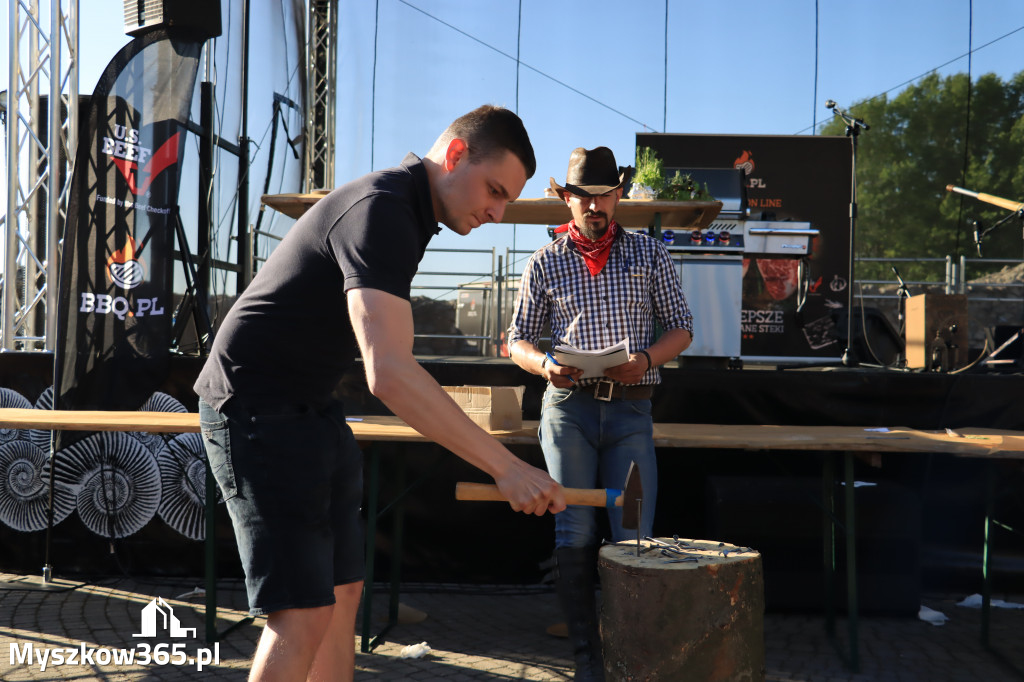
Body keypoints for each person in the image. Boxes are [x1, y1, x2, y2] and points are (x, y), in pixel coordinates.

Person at [194, 105, 566, 682]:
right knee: (302, 613)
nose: (497, 212)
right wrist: (506, 467)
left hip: (314, 411)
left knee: (342, 597)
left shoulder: (409, 215)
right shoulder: (383, 209)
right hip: (254, 412)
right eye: (494, 191)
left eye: (508, 202)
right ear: (456, 154)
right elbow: (389, 372)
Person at [507, 146, 693, 681]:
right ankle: (588, 661)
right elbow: (516, 340)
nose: (594, 206)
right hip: (568, 409)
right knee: (574, 533)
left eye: (603, 195)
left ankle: (629, 656)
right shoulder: (544, 262)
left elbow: (682, 326)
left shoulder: (649, 255)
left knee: (633, 534)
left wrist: (647, 359)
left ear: (619, 196)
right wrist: (545, 365)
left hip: (632, 410)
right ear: (567, 200)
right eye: (583, 197)